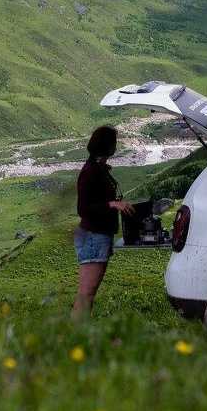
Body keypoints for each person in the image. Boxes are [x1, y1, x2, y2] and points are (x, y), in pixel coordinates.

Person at [72, 125, 133, 318]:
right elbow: (83, 209)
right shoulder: (90, 171)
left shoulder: (98, 168)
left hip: (98, 236)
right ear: (108, 146)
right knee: (86, 294)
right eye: (114, 142)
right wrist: (112, 205)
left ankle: (81, 337)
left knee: (88, 294)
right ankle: (74, 339)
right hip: (93, 236)